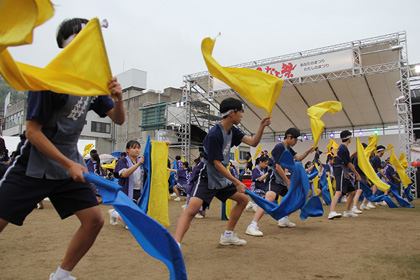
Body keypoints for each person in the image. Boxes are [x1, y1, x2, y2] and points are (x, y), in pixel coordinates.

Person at [0, 18, 125, 280]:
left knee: (94, 220)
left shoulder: (91, 83)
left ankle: (61, 275)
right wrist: (69, 164)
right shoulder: (48, 79)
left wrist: (118, 98)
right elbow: (33, 133)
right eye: (83, 36)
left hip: (69, 166)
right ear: (66, 44)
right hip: (33, 164)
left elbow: (118, 119)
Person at [174, 98, 271, 247]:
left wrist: (262, 126)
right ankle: (176, 244)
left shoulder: (233, 131)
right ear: (232, 113)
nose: (242, 116)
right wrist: (237, 182)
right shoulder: (214, 134)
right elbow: (217, 164)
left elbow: (253, 143)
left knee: (243, 200)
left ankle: (228, 235)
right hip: (206, 175)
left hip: (221, 177)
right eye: (241, 112)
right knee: (192, 209)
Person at [245, 128, 313, 236]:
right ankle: (252, 225)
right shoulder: (279, 147)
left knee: (296, 198)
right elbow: (277, 167)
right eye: (295, 139)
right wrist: (288, 182)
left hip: (282, 179)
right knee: (269, 199)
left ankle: (284, 219)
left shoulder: (288, 149)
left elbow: (298, 158)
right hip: (274, 178)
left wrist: (308, 151)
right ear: (289, 137)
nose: (296, 142)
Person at [109, 140, 147, 227]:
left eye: (138, 148)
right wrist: (138, 164)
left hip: (139, 191)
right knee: (130, 224)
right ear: (127, 150)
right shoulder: (123, 161)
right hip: (126, 192)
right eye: (134, 148)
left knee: (140, 215)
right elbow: (124, 174)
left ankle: (122, 214)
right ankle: (114, 213)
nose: (137, 150)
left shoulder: (142, 161)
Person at [328, 130, 361, 219]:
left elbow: (347, 159)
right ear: (349, 138)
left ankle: (347, 211)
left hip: (343, 172)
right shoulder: (343, 148)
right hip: (341, 171)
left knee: (353, 192)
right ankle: (331, 212)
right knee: (339, 191)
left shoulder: (342, 148)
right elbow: (349, 163)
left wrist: (354, 154)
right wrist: (357, 175)